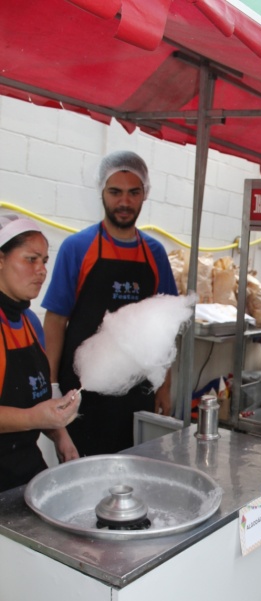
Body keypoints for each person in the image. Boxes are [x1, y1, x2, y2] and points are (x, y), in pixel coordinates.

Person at [42, 151, 178, 456]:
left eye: (134, 192)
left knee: (136, 472)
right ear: (102, 192)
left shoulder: (154, 254)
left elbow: (166, 330)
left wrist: (165, 387)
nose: (125, 202)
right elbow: (55, 321)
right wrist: (50, 386)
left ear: (145, 195)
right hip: (82, 393)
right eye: (115, 192)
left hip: (138, 392)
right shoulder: (77, 248)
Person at [0, 214, 80, 491]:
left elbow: (37, 396)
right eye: (30, 259)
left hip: (23, 468)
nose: (42, 271)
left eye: (44, 261)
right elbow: (33, 412)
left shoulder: (30, 322)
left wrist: (60, 435)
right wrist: (36, 418)